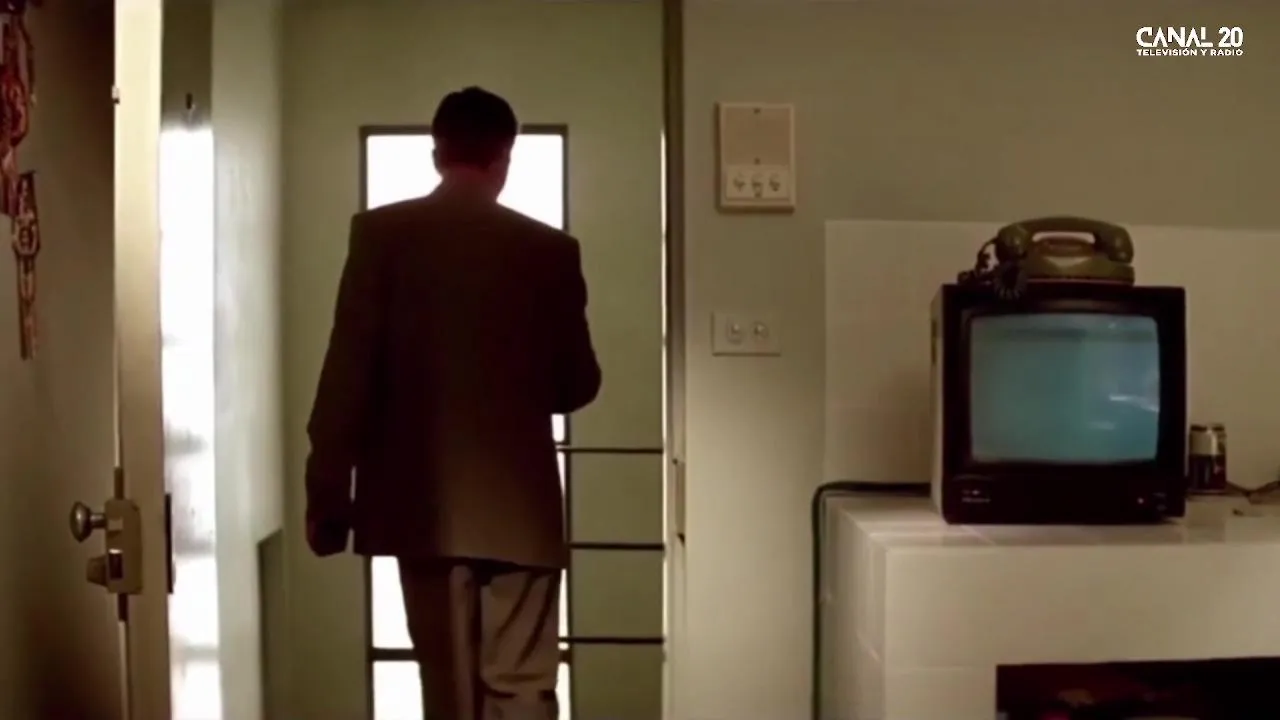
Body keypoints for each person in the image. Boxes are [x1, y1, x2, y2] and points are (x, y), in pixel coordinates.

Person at [303, 86, 601, 719]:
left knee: (446, 688)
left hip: (421, 506)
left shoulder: (380, 235)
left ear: (436, 153)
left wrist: (327, 497)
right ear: (505, 156)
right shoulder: (551, 250)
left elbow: (346, 375)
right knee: (522, 686)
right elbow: (577, 386)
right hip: (521, 511)